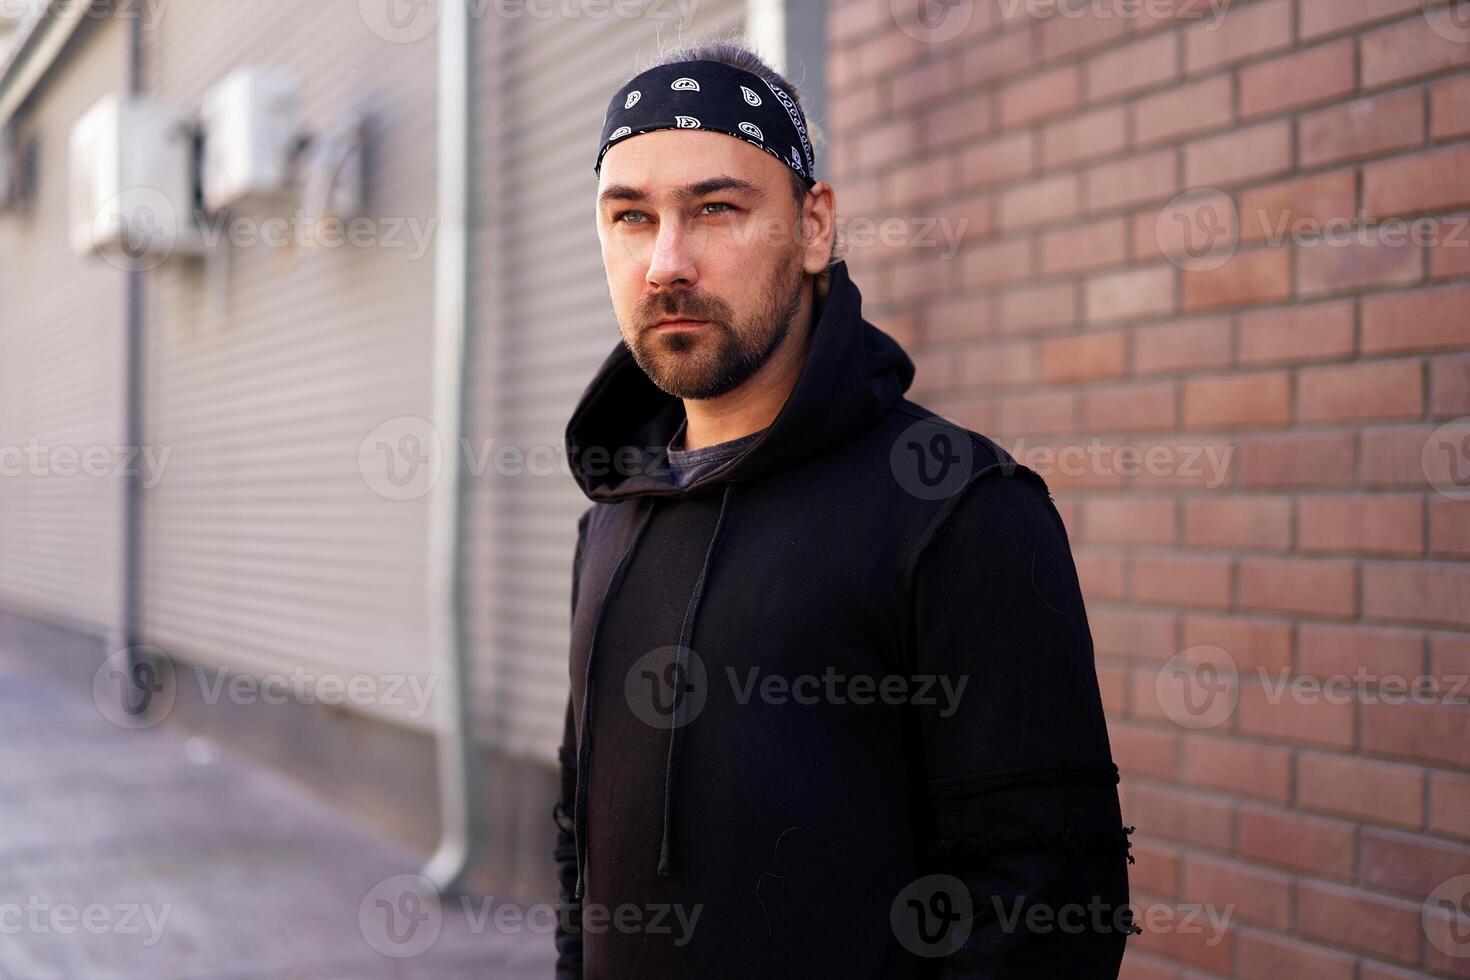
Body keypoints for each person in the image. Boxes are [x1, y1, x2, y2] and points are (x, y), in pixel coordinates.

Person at [552, 39, 1135, 979]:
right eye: (631, 217)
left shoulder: (958, 511)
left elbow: (1048, 903)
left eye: (715, 209)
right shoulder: (612, 519)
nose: (666, 261)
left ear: (815, 226)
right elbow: (581, 836)